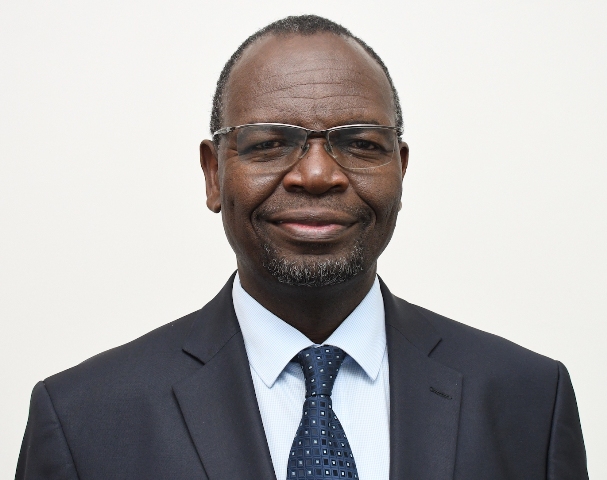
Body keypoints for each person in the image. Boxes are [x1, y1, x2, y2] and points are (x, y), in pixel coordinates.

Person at [16, 15, 587, 480]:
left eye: (360, 144)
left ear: (401, 170)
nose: (316, 175)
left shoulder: (530, 400)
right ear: (213, 175)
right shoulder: (83, 420)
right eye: (269, 144)